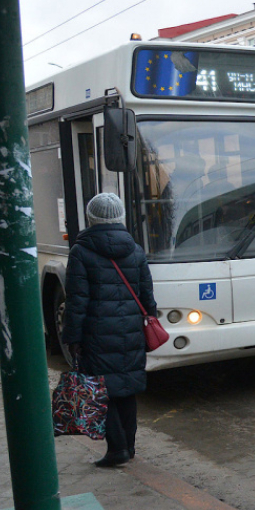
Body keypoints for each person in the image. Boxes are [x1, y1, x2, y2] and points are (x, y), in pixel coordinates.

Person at [62, 193, 157, 468]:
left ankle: (117, 449)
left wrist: (72, 338)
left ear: (92, 218)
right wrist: (149, 320)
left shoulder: (81, 251)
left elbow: (77, 301)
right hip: (131, 331)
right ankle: (129, 445)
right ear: (120, 218)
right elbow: (147, 295)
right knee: (126, 388)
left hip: (97, 333)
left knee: (103, 390)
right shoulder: (136, 250)